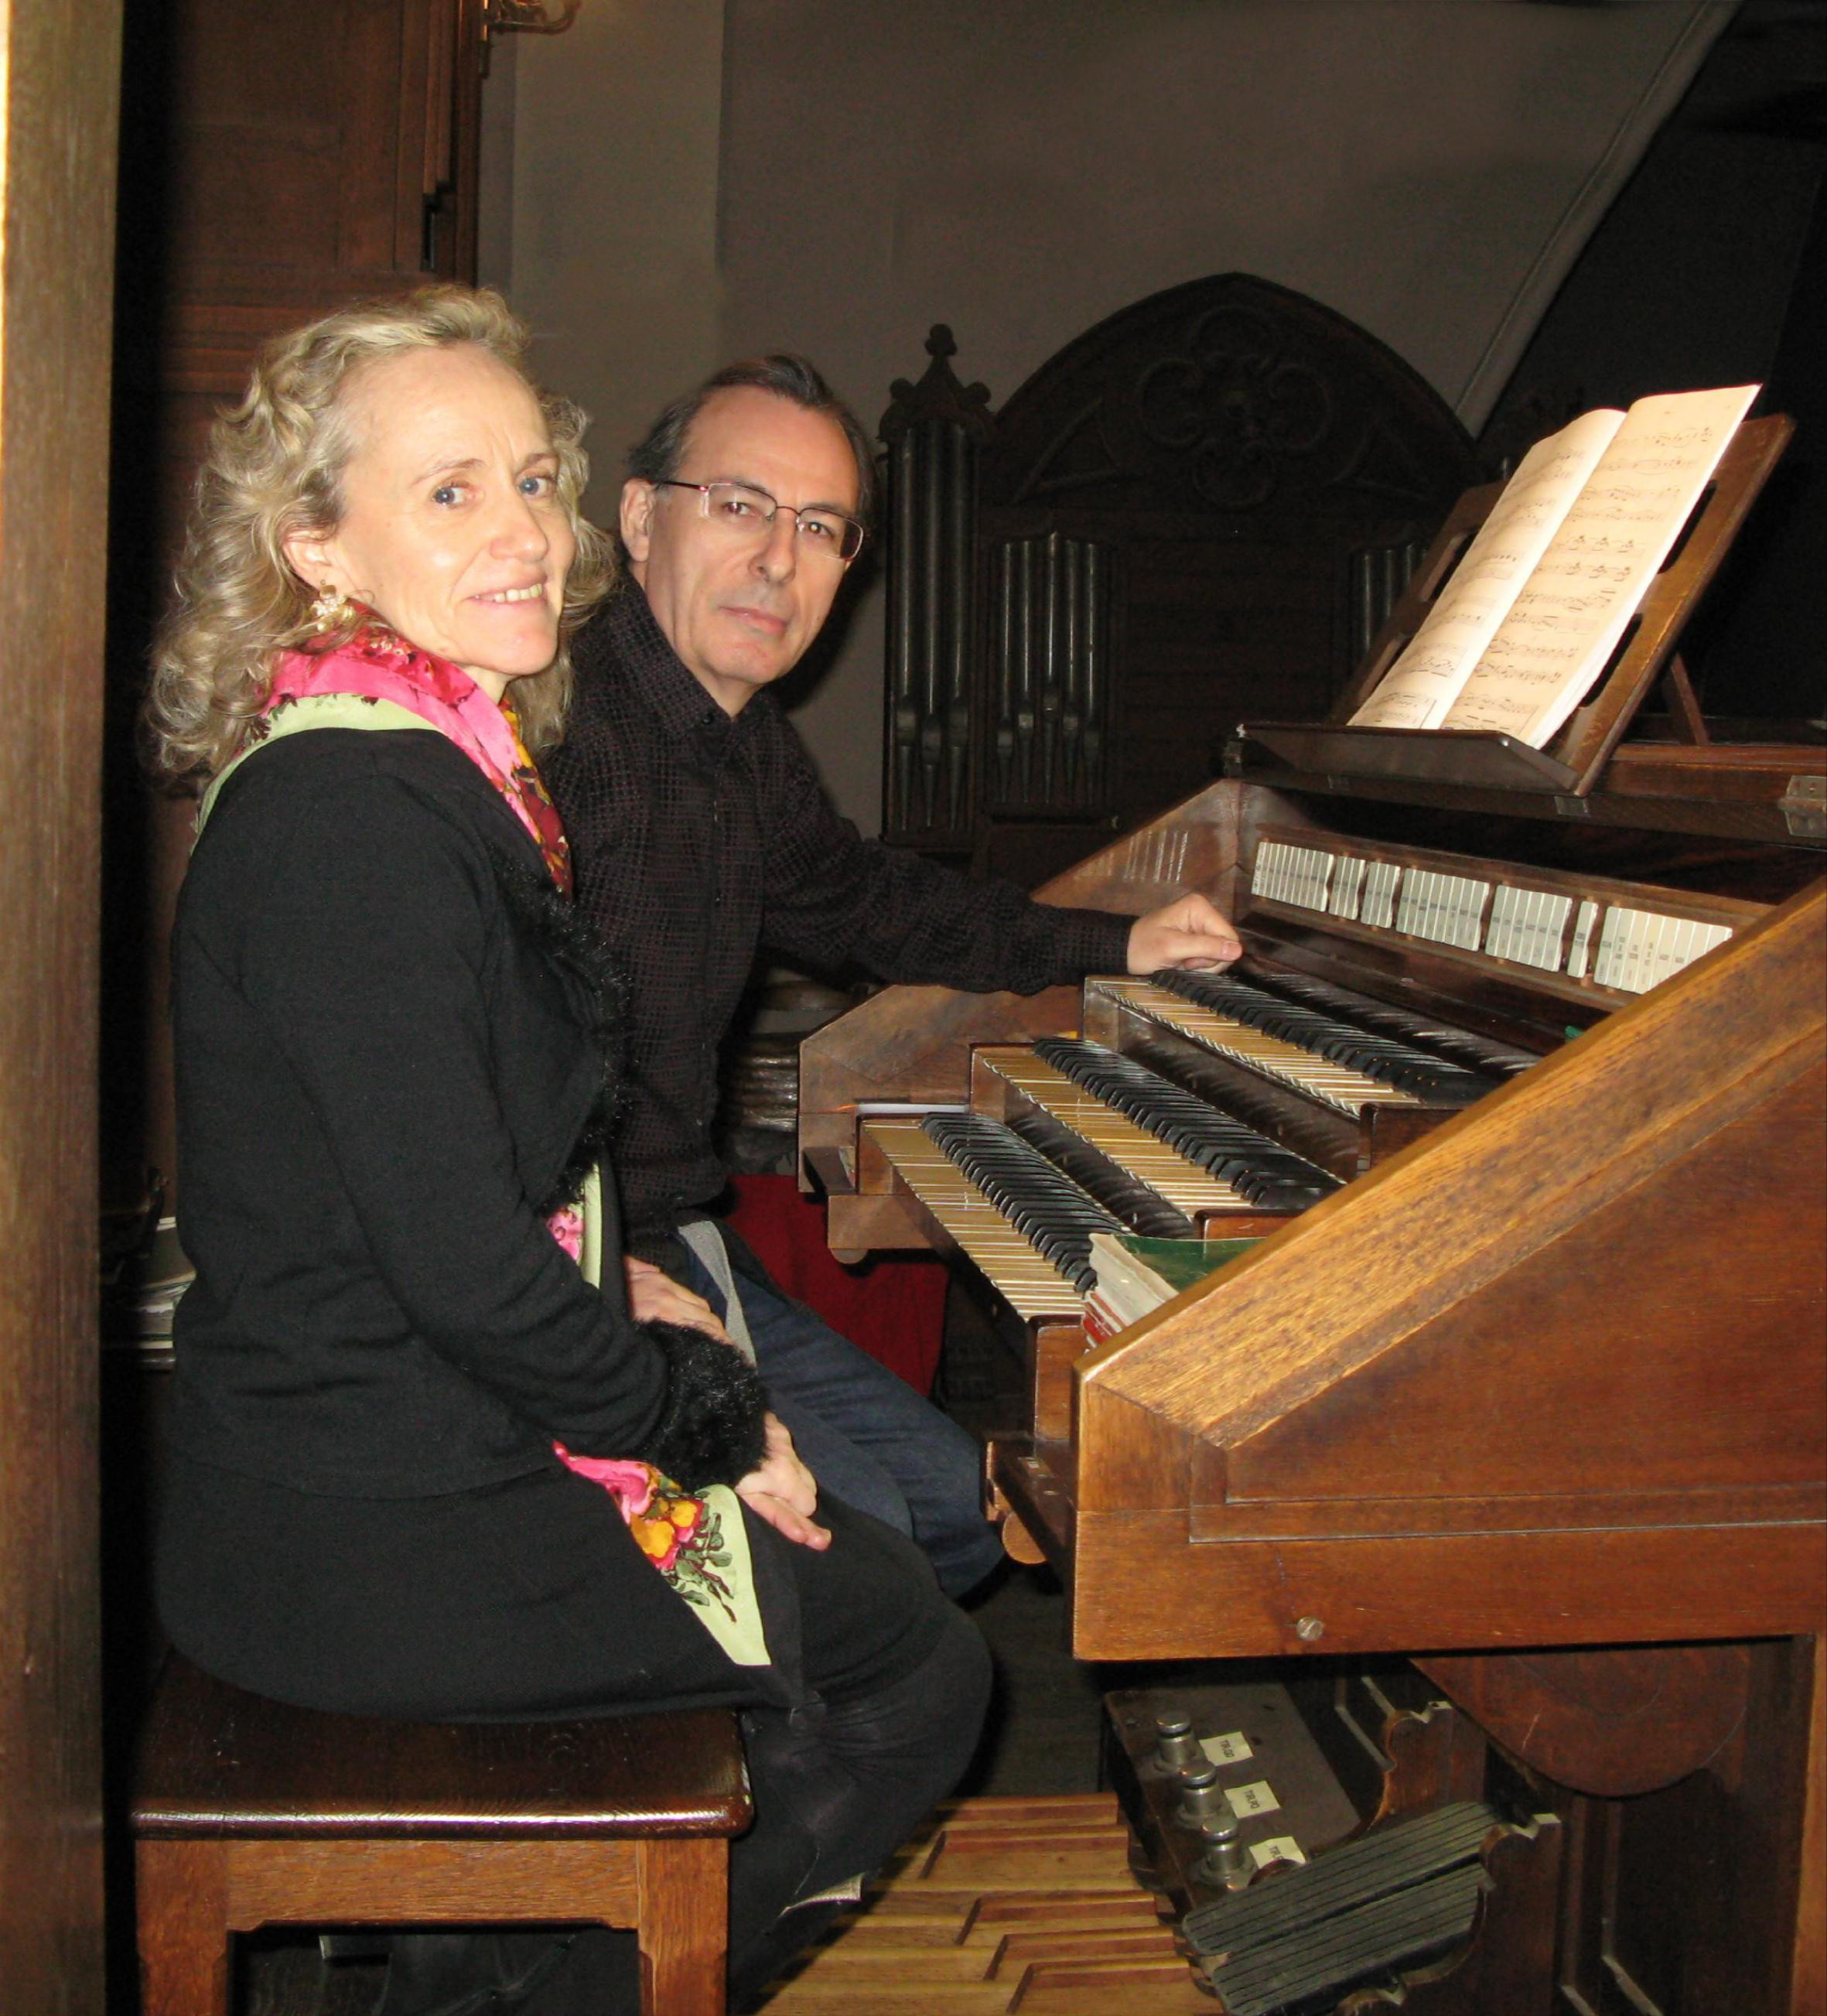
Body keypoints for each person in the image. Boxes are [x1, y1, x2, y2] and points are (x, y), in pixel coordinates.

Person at [144, 287, 989, 2016]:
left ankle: (485, 1962)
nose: (525, 532)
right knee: (914, 1666)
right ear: (318, 548)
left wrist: (652, 1317)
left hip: (391, 1458)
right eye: (450, 491)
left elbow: (484, 1203)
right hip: (366, 1527)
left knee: (862, 1570)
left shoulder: (429, 763)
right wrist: (707, 1417)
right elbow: (463, 1267)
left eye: (531, 479)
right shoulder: (356, 818)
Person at [543, 356, 1242, 1599]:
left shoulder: (739, 743)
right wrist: (580, 1284)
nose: (779, 559)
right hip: (572, 1264)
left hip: (661, 1237)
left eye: (820, 528)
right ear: (641, 518)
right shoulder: (563, 733)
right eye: (740, 505)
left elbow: (867, 899)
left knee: (956, 1514)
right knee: (872, 1561)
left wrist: (1112, 939)